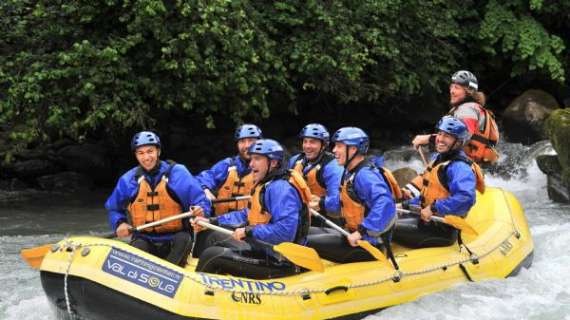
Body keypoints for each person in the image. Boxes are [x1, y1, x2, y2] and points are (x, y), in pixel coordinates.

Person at [192, 139, 312, 279]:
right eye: (251, 159)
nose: (251, 164)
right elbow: (247, 214)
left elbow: (285, 232)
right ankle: (208, 274)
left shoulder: (281, 189)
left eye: (257, 159)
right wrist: (211, 221)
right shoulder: (267, 184)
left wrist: (249, 231)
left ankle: (200, 288)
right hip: (263, 248)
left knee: (212, 254)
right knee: (211, 234)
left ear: (273, 163)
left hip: (279, 261)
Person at [105, 131, 210, 266]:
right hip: (144, 238)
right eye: (141, 153)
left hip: (175, 238)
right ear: (136, 155)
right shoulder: (127, 180)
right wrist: (119, 223)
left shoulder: (178, 173)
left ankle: (172, 274)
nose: (146, 157)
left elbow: (201, 200)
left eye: (150, 151)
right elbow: (114, 209)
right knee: (138, 246)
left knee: (183, 239)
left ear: (158, 151)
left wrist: (201, 212)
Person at [307, 127, 400, 263]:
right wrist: (319, 203)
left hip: (367, 244)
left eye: (339, 146)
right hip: (350, 234)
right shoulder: (350, 172)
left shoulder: (365, 175)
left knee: (302, 241)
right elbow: (347, 203)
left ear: (353, 149)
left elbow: (385, 203)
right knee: (302, 232)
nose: (334, 151)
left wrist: (362, 232)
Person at [394, 116, 485, 248]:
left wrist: (434, 208)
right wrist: (405, 205)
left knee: (383, 228)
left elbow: (466, 198)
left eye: (447, 136)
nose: (441, 139)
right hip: (428, 221)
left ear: (459, 142)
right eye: (440, 134)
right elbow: (429, 195)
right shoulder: (440, 159)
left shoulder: (460, 168)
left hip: (442, 228)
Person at [412, 70, 499, 165]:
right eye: (451, 87)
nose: (452, 91)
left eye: (457, 88)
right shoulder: (473, 108)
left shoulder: (467, 110)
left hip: (463, 164)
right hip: (469, 162)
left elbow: (463, 137)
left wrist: (427, 139)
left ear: (469, 92)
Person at [196, 124, 262, 215]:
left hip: (250, 226)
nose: (246, 145)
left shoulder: (266, 169)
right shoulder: (227, 165)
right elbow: (201, 179)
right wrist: (205, 190)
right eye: (242, 141)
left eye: (251, 141)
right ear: (237, 144)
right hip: (219, 224)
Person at [288, 123, 342, 221]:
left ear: (323, 145)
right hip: (298, 217)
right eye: (305, 141)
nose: (307, 146)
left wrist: (319, 203)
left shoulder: (333, 167)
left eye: (312, 142)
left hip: (324, 219)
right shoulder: (295, 160)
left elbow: (336, 204)